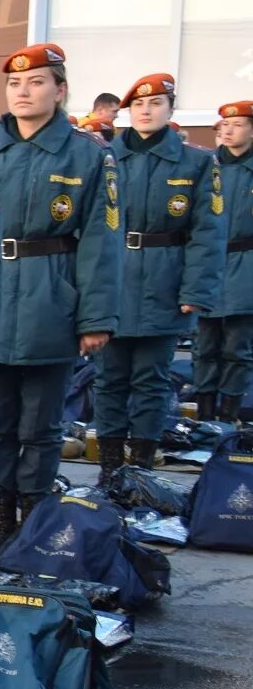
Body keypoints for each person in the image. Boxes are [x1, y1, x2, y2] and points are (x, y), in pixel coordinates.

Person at [0, 44, 123, 537]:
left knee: (40, 428)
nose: (23, 91)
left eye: (37, 82)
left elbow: (102, 242)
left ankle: (34, 525)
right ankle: (1, 525)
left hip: (49, 297)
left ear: (60, 91)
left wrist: (96, 317)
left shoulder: (87, 154)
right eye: (15, 83)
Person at [96, 72, 224, 470]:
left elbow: (208, 231)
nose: (146, 111)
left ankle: (141, 465)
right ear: (126, 112)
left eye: (155, 104)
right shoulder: (104, 156)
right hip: (112, 279)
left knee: (151, 381)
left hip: (164, 282)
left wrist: (195, 291)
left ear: (171, 109)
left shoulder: (198, 162)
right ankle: (111, 468)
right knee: (109, 380)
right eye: (138, 105)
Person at [192, 99, 253, 425]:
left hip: (246, 264)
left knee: (238, 348)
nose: (229, 130)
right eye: (224, 126)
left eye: (238, 124)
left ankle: (228, 417)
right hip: (210, 262)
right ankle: (203, 416)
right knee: (204, 345)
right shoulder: (207, 165)